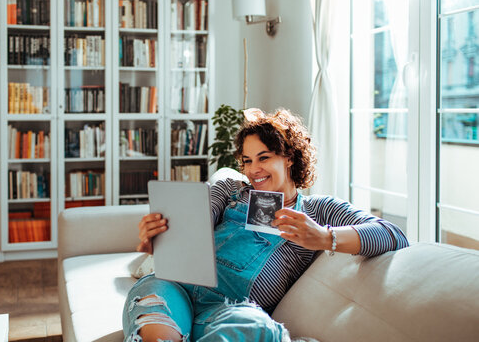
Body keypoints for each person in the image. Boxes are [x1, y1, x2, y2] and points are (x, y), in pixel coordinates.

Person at [123, 108, 409, 342]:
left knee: (251, 326)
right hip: (174, 287)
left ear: (290, 158)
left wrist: (324, 237)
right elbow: (193, 226)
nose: (253, 170)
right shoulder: (230, 190)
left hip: (229, 311)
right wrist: (160, 239)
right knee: (156, 329)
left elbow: (392, 234)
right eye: (247, 160)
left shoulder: (318, 209)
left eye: (264, 158)